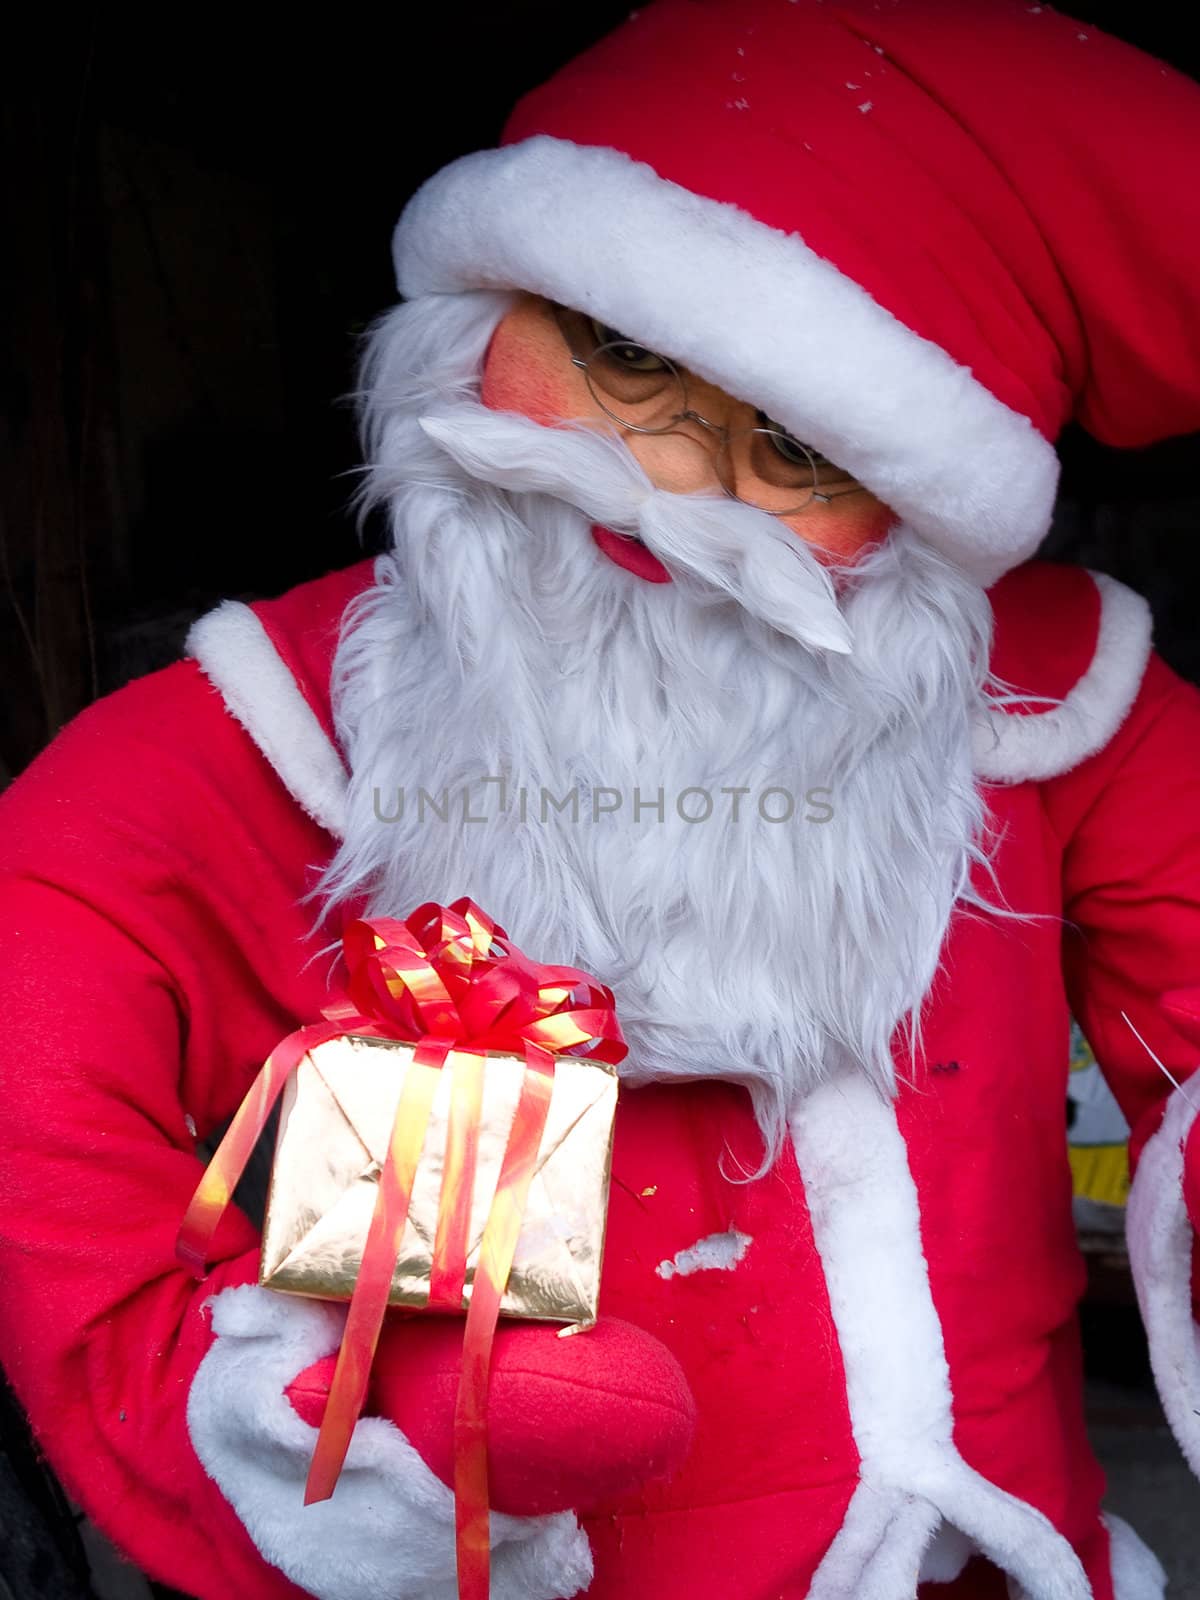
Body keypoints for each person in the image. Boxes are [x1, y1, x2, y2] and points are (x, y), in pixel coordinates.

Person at [2, 3, 1200, 1596]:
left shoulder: (1063, 716)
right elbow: (52, 1166)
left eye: (797, 447)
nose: (676, 480)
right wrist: (320, 1428)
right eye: (624, 356)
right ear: (489, 310)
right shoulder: (232, 746)